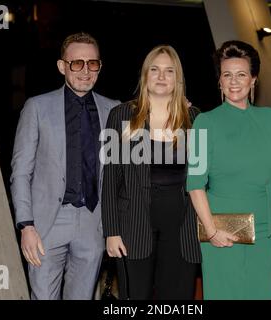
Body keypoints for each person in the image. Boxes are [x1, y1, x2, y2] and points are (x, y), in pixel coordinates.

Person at [10, 32, 120, 300]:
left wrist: (183, 112)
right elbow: (21, 172)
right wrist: (26, 226)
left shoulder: (114, 110)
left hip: (92, 225)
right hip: (47, 224)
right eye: (77, 63)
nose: (85, 70)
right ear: (62, 66)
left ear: (100, 67)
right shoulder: (37, 107)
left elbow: (126, 166)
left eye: (92, 63)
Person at [187, 40, 271, 299]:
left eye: (241, 74)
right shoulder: (205, 122)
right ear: (219, 82)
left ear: (253, 79)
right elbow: (194, 183)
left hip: (267, 230)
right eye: (227, 75)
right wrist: (211, 230)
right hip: (223, 233)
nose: (234, 82)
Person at [101, 45, 201, 299]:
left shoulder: (195, 119)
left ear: (177, 79)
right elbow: (111, 179)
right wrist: (111, 231)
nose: (161, 76)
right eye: (154, 69)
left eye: (169, 71)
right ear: (145, 75)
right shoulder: (121, 115)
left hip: (181, 227)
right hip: (132, 225)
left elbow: (202, 178)